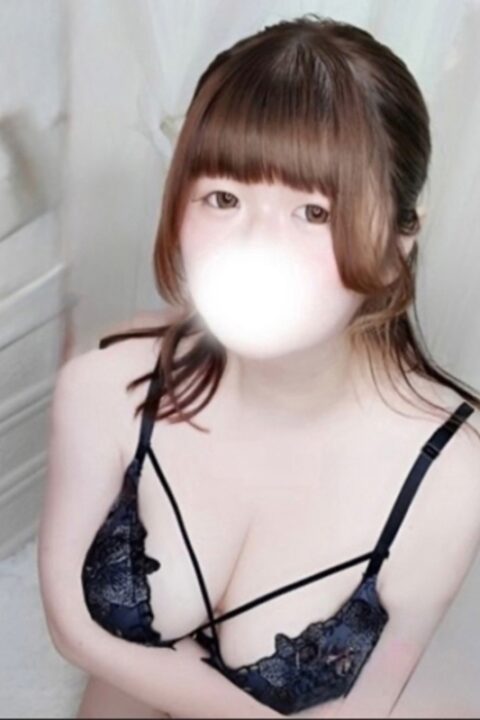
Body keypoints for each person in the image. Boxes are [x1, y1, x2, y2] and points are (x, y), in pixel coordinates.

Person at [38, 13, 480, 719]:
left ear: (400, 241)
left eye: (313, 212)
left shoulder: (448, 477)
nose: (255, 245)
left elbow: (364, 709)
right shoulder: (106, 387)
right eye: (224, 198)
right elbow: (70, 626)